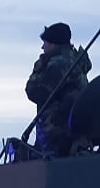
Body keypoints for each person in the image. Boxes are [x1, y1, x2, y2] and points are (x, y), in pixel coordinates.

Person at [25, 22, 92, 157]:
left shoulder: (58, 64)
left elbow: (35, 93)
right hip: (75, 133)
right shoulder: (75, 60)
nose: (43, 47)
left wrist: (39, 67)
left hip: (57, 134)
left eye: (46, 43)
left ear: (54, 44)